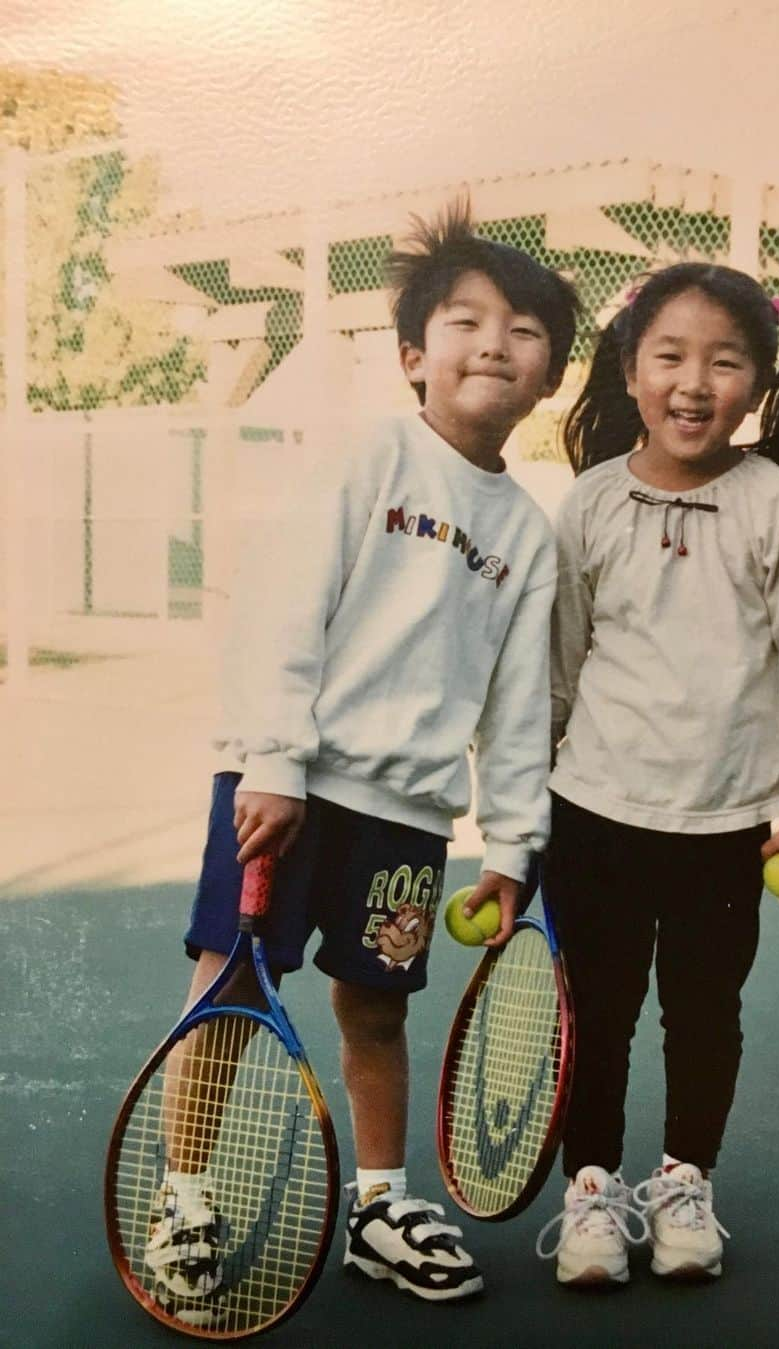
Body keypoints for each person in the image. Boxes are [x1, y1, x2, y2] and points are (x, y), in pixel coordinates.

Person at [146, 201, 580, 1321]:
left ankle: (380, 1208)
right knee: (232, 988)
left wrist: (517, 843)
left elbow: (519, 708)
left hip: (409, 820)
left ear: (550, 380)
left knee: (376, 1015)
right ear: (411, 355)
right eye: (468, 319)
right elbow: (282, 612)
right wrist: (277, 761)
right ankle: (184, 1196)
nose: (496, 340)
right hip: (284, 787)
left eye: (527, 330)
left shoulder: (528, 535)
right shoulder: (363, 458)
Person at [535, 263, 779, 1287]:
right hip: (591, 812)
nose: (694, 382)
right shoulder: (589, 503)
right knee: (593, 1010)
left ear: (760, 382)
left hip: (729, 823)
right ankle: (591, 1189)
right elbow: (554, 665)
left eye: (723, 361)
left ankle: (685, 1181)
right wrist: (518, 807)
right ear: (629, 371)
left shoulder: (776, 508)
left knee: (704, 1010)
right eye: (669, 357)